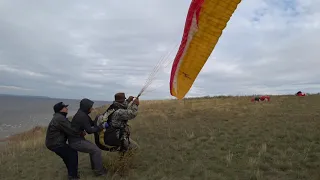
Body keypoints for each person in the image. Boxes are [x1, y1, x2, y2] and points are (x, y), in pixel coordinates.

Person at [68, 98, 108, 176]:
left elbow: (92, 124)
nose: (92, 108)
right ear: (86, 107)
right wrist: (102, 127)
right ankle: (100, 172)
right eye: (91, 107)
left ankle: (96, 168)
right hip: (76, 142)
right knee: (96, 150)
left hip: (77, 139)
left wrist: (98, 118)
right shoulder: (82, 116)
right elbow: (89, 130)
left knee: (93, 150)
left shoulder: (83, 114)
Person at [45, 102, 82, 180]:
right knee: (72, 154)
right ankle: (73, 176)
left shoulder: (58, 117)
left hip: (52, 143)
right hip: (56, 144)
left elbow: (67, 128)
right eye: (65, 107)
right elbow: (71, 130)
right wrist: (81, 132)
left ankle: (72, 174)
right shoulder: (60, 118)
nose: (67, 108)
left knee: (67, 157)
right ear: (61, 110)